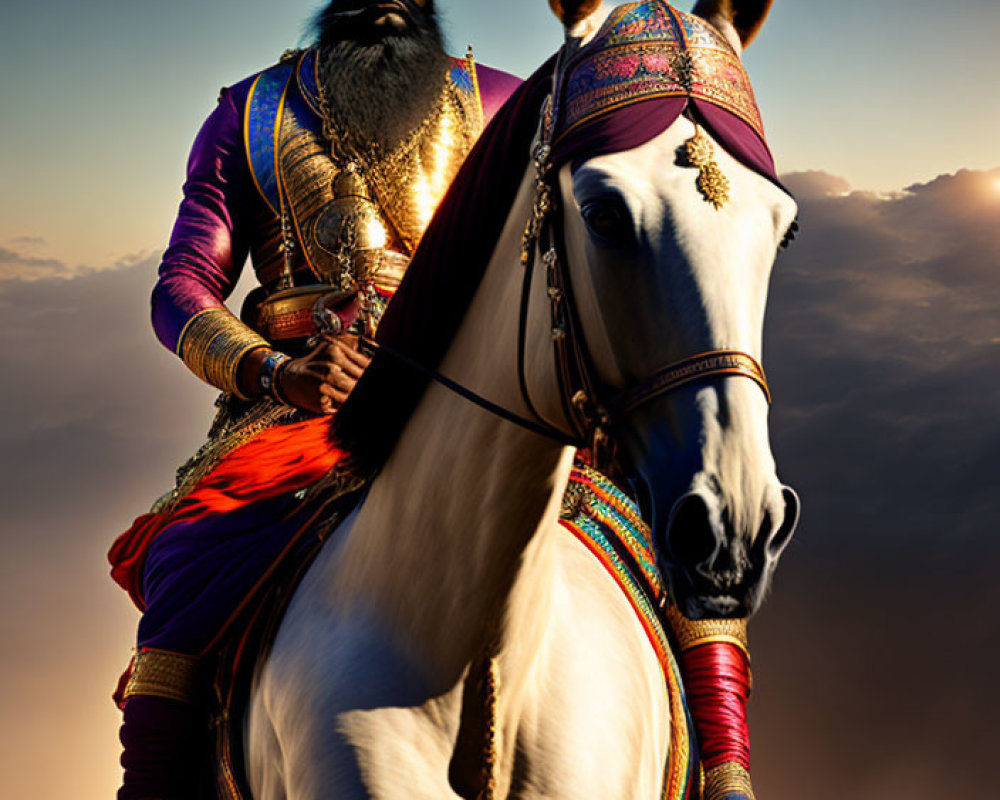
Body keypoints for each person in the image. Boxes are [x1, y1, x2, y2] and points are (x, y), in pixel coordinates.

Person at [108, 2, 521, 797]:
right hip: (302, 407)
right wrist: (274, 372)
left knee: (674, 538)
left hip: (476, 397)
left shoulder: (500, 103)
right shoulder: (249, 111)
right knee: (185, 554)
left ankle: (725, 770)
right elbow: (183, 287)